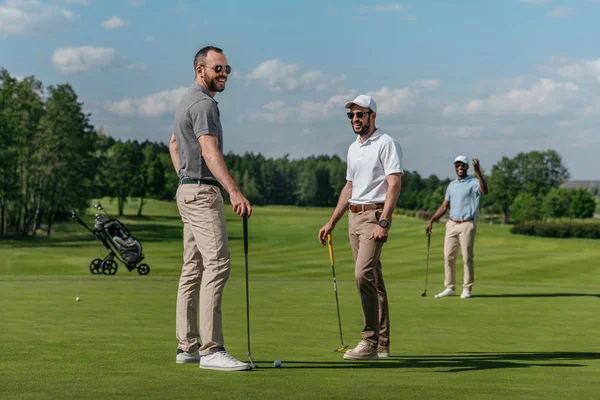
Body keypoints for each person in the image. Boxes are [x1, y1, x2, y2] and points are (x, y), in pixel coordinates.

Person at [168, 45, 252, 371]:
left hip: (187, 191)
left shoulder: (185, 101)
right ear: (200, 69)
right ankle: (211, 350)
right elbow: (209, 150)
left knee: (193, 269)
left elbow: (174, 144)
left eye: (227, 69)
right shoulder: (204, 104)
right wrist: (234, 192)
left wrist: (183, 179)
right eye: (218, 69)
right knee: (217, 265)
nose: (224, 75)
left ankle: (186, 345)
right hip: (202, 194)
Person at [318, 95, 403, 360]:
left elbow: (394, 184)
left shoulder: (387, 143)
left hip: (374, 216)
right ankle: (383, 343)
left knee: (362, 274)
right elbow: (349, 187)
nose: (355, 119)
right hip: (354, 217)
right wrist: (332, 221)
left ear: (372, 116)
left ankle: (368, 341)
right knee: (373, 280)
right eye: (351, 116)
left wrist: (384, 222)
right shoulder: (353, 148)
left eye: (360, 114)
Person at [425, 155, 488, 299]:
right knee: (448, 256)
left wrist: (478, 173)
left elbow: (485, 191)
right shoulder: (451, 185)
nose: (460, 168)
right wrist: (432, 220)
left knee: (467, 258)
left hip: (467, 224)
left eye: (463, 165)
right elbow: (444, 206)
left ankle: (467, 288)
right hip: (452, 224)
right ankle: (450, 287)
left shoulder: (473, 182)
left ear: (467, 167)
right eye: (457, 165)